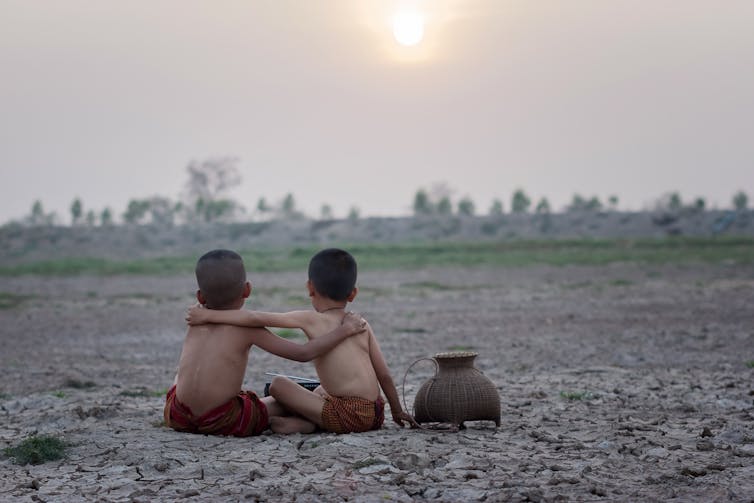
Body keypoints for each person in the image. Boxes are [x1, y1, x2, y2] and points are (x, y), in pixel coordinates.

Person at [186, 247, 418, 434]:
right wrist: (396, 412)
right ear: (353, 293)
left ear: (310, 288)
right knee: (319, 389)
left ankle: (309, 423)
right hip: (374, 412)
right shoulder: (360, 323)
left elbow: (255, 316)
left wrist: (207, 315)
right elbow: (385, 375)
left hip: (345, 416)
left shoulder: (310, 319)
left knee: (278, 384)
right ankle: (308, 422)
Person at [165, 249, 366, 437]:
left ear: (200, 296)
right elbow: (303, 353)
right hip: (224, 421)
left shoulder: (196, 319)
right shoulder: (247, 328)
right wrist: (345, 330)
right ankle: (303, 422)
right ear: (247, 290)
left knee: (179, 379)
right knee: (282, 401)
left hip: (178, 416)